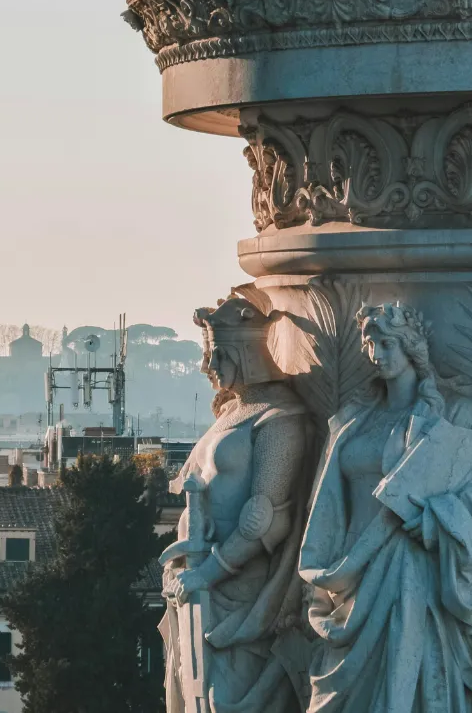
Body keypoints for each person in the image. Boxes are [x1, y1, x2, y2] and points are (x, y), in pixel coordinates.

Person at [298, 301, 472, 713]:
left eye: (387, 343)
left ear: (412, 347)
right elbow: (326, 506)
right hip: (349, 575)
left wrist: (438, 520)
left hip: (413, 575)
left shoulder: (457, 419)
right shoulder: (353, 421)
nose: (377, 354)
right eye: (370, 343)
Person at [160, 291, 312, 713]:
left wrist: (209, 573)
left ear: (245, 355)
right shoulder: (233, 413)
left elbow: (266, 521)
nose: (206, 367)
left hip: (239, 589)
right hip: (198, 580)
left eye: (216, 356)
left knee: (224, 699)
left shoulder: (280, 420)